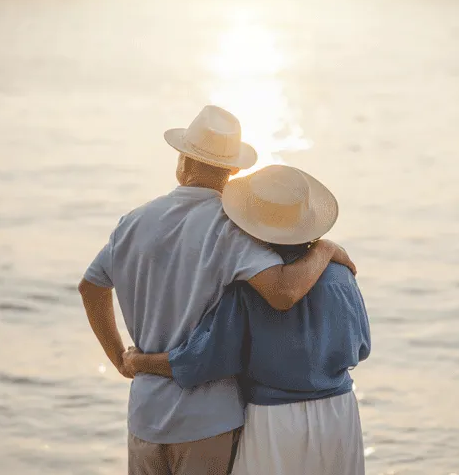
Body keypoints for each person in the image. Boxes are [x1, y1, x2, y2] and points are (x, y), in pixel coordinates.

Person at [78, 105, 356, 475]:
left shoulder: (133, 221)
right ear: (233, 171)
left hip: (145, 413)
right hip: (209, 420)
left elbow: (91, 287)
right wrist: (324, 248)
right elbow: (283, 293)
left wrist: (119, 358)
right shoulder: (232, 229)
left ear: (183, 161)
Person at [123, 164, 371, 475]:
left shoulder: (248, 288)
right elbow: (361, 347)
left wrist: (140, 362)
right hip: (340, 414)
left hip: (273, 420)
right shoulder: (341, 274)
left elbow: (203, 359)